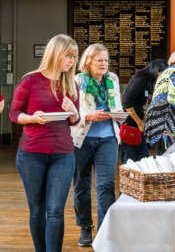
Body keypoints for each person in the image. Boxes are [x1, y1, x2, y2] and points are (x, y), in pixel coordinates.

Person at [10, 34, 80, 252]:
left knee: (56, 211)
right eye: (67, 56)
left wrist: (74, 111)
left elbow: (75, 121)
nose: (70, 61)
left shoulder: (70, 83)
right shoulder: (30, 80)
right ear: (55, 53)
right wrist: (32, 118)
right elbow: (14, 114)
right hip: (31, 154)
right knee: (38, 210)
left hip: (63, 154)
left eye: (73, 57)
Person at [71, 43, 125, 247]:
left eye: (106, 60)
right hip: (81, 139)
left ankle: (104, 231)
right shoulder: (77, 81)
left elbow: (116, 105)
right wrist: (88, 116)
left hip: (108, 139)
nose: (104, 64)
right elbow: (72, 113)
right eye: (99, 60)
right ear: (88, 62)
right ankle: (85, 227)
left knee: (105, 185)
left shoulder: (112, 79)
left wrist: (120, 116)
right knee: (81, 185)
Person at [121, 59, 168, 164]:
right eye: (162, 73)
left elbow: (146, 100)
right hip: (131, 124)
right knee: (130, 160)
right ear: (156, 70)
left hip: (140, 124)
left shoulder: (149, 81)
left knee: (144, 158)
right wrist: (139, 122)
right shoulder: (139, 79)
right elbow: (127, 104)